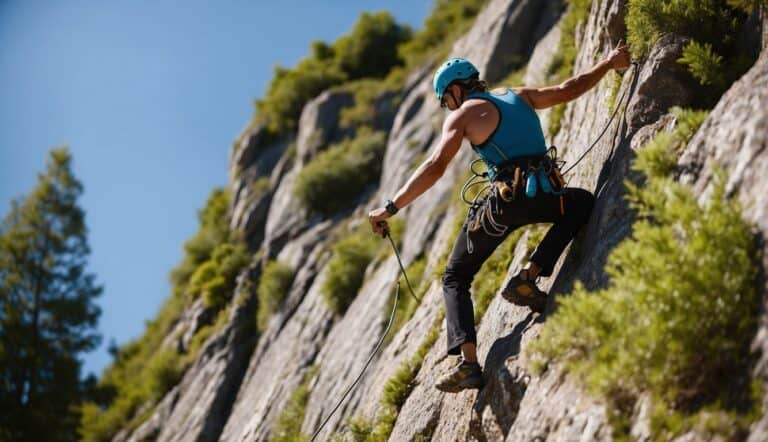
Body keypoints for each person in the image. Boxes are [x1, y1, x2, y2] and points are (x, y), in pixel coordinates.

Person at [368, 43, 631, 393]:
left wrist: (391, 207)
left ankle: (469, 364)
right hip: (545, 195)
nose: (449, 106)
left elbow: (435, 167)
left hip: (503, 205)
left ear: (456, 89)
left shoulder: (462, 115)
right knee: (581, 203)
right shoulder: (519, 95)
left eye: (446, 99)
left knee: (455, 277)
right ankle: (530, 275)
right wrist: (609, 63)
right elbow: (569, 89)